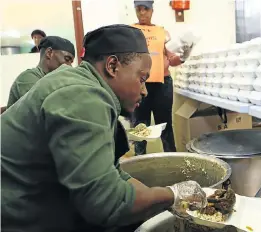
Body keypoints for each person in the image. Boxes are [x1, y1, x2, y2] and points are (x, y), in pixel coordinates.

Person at [1, 24, 206, 232]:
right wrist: (173, 194)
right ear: (113, 66)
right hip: (20, 216)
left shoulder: (81, 84)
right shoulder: (82, 97)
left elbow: (114, 174)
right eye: (141, 78)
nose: (144, 91)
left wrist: (158, 199)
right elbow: (105, 204)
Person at [132, 0, 193, 155]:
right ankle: (139, 162)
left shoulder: (162, 32)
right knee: (140, 126)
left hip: (162, 85)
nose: (142, 13)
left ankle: (171, 158)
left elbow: (172, 60)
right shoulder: (130, 31)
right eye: (138, 9)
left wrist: (184, 54)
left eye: (145, 9)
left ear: (152, 10)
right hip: (139, 85)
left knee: (165, 125)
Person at [7, 36, 75, 108]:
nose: (70, 66)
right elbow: (48, 110)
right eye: (67, 59)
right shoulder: (28, 78)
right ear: (49, 53)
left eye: (71, 62)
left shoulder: (55, 80)